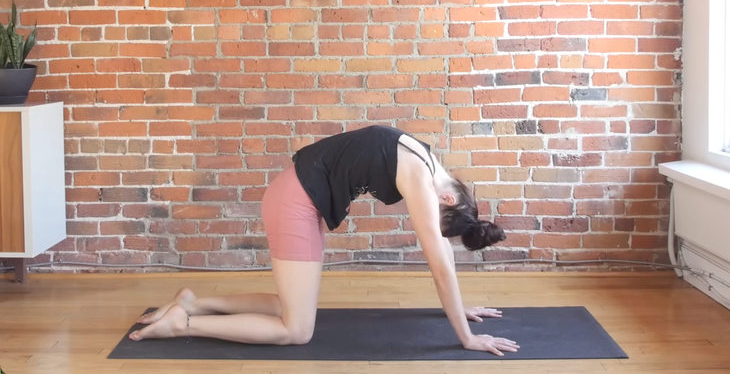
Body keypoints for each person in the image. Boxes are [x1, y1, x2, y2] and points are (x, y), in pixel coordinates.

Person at [129, 125, 519, 357]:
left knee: (294, 309)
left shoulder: (423, 156)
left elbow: (442, 255)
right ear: (447, 199)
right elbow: (438, 262)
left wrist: (460, 305)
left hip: (300, 198)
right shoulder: (420, 176)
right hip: (294, 202)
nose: (430, 224)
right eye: (439, 220)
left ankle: (194, 302)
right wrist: (465, 338)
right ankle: (185, 323)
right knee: (296, 331)